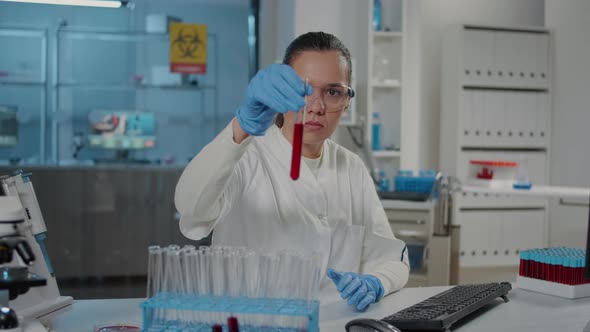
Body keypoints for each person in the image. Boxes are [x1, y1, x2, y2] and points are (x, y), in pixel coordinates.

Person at [175, 31, 409, 311]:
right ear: (282, 91)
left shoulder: (351, 167)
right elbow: (190, 206)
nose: (316, 107)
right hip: (250, 324)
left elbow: (391, 257)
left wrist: (377, 282)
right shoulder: (246, 155)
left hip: (332, 324)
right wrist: (241, 126)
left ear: (347, 100)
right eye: (304, 90)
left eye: (333, 92)